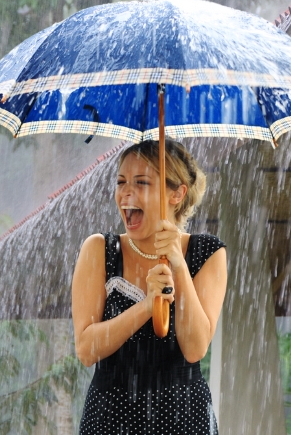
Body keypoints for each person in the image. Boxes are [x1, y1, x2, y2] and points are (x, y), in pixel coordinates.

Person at [72, 140, 227, 435]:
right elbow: (86, 349)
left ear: (177, 193)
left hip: (184, 420)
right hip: (109, 420)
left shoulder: (208, 252)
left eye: (141, 182)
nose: (126, 193)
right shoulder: (98, 250)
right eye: (121, 182)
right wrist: (146, 306)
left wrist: (179, 267)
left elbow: (195, 349)